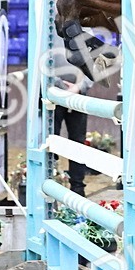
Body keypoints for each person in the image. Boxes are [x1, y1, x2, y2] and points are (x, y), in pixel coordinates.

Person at [53, 65, 90, 196]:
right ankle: (51, 180)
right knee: (51, 139)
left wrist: (78, 87)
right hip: (53, 95)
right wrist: (61, 86)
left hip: (78, 95)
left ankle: (78, 187)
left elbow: (95, 67)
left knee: (78, 141)